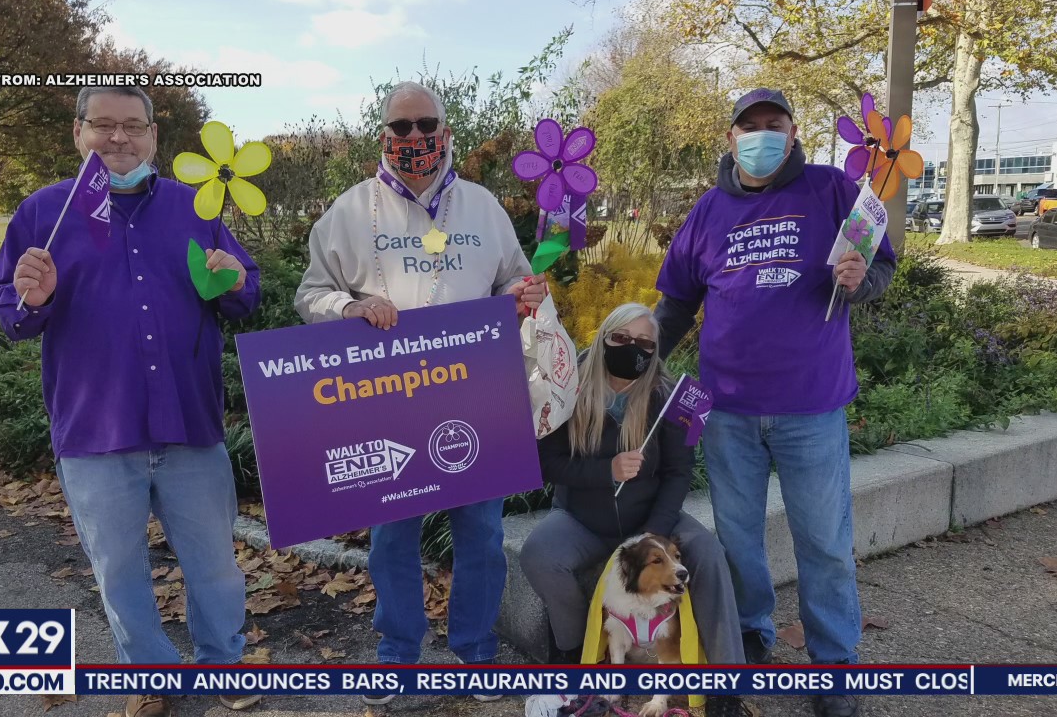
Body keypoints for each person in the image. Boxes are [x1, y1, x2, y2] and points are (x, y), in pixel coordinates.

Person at [0, 85, 262, 717]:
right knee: (120, 574)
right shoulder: (43, 214)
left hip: (190, 426)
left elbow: (243, 298)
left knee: (215, 567)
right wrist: (33, 298)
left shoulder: (197, 208)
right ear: (77, 132)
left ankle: (223, 665)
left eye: (133, 126)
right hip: (95, 432)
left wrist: (235, 282)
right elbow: (10, 310)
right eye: (103, 125)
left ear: (155, 136)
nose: (119, 139)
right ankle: (152, 677)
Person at [294, 81, 547, 704]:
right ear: (383, 135)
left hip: (476, 396)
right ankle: (397, 653)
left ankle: (476, 651)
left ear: (446, 131)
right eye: (400, 128)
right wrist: (350, 306)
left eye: (425, 125)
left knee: (482, 536)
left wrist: (529, 296)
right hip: (385, 399)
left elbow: (517, 281)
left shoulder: (484, 208)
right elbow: (308, 296)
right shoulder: (349, 212)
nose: (414, 139)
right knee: (391, 539)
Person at [653, 88, 897, 717]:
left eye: (774, 124)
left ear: (792, 133)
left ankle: (835, 665)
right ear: (731, 139)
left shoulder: (831, 191)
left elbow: (880, 266)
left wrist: (860, 279)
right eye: (748, 126)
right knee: (737, 540)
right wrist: (636, 357)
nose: (761, 135)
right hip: (726, 409)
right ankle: (752, 633)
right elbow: (677, 303)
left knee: (824, 543)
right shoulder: (707, 212)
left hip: (810, 409)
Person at [520, 303, 749, 717]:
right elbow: (546, 463)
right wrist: (606, 470)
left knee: (710, 555)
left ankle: (726, 685)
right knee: (539, 554)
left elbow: (679, 472)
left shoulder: (669, 397)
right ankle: (577, 658)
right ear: (604, 336)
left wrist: (653, 535)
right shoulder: (568, 385)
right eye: (621, 339)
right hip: (583, 517)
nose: (633, 349)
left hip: (651, 519)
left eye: (645, 343)